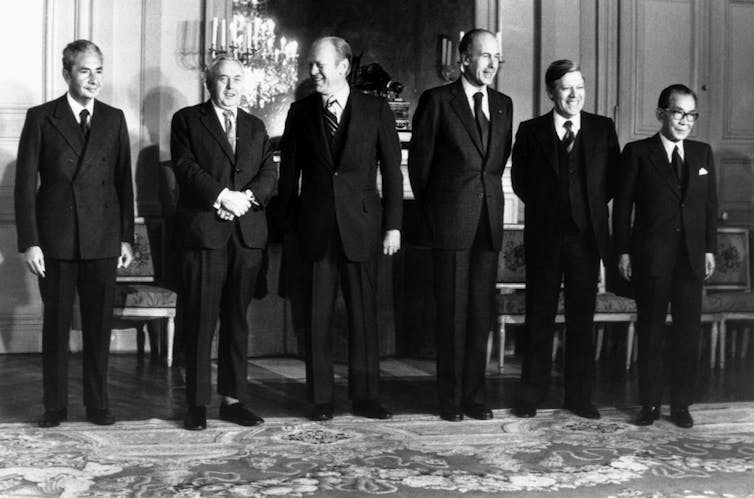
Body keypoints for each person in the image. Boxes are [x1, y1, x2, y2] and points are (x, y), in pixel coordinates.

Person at [278, 36, 403, 422]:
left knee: (364, 316)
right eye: (311, 65)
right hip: (314, 230)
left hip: (363, 228)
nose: (312, 72)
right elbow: (288, 179)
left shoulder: (376, 109)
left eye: (320, 65)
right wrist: (289, 231)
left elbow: (393, 173)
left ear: (343, 67)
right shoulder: (299, 112)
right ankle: (320, 399)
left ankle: (365, 398)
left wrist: (393, 227)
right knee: (316, 317)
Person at [14, 39, 134, 427]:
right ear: (66, 74)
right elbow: (23, 186)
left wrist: (126, 237)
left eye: (99, 70)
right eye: (85, 70)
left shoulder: (114, 119)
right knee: (57, 325)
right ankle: (55, 407)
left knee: (99, 327)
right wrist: (30, 241)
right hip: (56, 240)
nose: (94, 79)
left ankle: (98, 405)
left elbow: (122, 183)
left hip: (102, 238)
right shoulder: (41, 117)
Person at [409, 29, 513, 422]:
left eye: (496, 57)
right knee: (451, 314)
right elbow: (420, 169)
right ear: (464, 58)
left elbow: (496, 164)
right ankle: (449, 399)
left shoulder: (504, 105)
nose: (491, 64)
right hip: (450, 225)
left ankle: (475, 396)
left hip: (488, 224)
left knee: (479, 316)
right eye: (484, 56)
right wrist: (439, 214)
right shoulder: (437, 101)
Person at [171, 55, 277, 430]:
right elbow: (185, 168)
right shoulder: (186, 120)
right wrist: (221, 196)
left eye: (236, 79)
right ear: (208, 82)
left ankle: (233, 401)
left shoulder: (255, 125)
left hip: (247, 235)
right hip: (206, 234)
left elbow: (269, 171)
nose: (230, 87)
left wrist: (245, 199)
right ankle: (197, 403)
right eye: (222, 79)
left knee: (237, 320)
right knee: (201, 320)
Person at [511, 59, 620, 420]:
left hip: (586, 240)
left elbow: (611, 181)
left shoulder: (603, 129)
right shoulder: (530, 131)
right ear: (551, 92)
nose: (575, 95)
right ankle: (530, 396)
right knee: (539, 318)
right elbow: (520, 183)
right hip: (545, 238)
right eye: (566, 88)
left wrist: (584, 210)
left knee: (580, 321)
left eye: (580, 87)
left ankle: (579, 397)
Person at [613, 84, 717, 429]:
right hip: (651, 259)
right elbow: (623, 207)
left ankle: (681, 406)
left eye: (691, 114)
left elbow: (709, 208)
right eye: (678, 113)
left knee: (688, 335)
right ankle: (650, 405)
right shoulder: (638, 152)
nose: (684, 121)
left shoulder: (703, 154)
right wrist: (623, 251)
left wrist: (709, 249)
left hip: (690, 260)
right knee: (652, 333)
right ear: (661, 114)